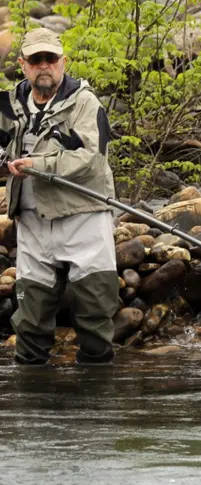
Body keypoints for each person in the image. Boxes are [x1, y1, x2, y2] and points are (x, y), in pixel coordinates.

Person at [0, 28, 118, 365]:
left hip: (85, 217)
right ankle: (32, 393)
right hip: (32, 222)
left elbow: (90, 158)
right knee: (30, 325)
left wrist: (36, 165)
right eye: (36, 59)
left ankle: (98, 391)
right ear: (23, 64)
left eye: (50, 58)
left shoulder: (86, 102)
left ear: (63, 62)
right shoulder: (7, 105)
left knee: (95, 321)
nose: (44, 65)